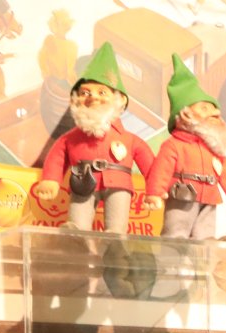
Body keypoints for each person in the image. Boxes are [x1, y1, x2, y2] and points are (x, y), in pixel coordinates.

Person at [33, 44, 154, 232]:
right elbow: (57, 157)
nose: (93, 98)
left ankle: (115, 239)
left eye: (102, 92)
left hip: (119, 183)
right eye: (85, 93)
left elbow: (150, 165)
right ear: (75, 99)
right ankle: (76, 236)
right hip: (82, 182)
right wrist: (51, 179)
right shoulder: (70, 139)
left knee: (117, 226)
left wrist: (155, 191)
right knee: (77, 223)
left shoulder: (130, 140)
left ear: (120, 99)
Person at [144, 56, 226, 240]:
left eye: (214, 109)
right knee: (176, 231)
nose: (215, 112)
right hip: (182, 196)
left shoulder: (213, 148)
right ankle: (172, 254)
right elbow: (161, 170)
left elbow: (225, 171)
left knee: (205, 234)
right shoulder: (174, 145)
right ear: (185, 114)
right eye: (205, 108)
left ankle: (204, 254)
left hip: (209, 198)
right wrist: (155, 193)